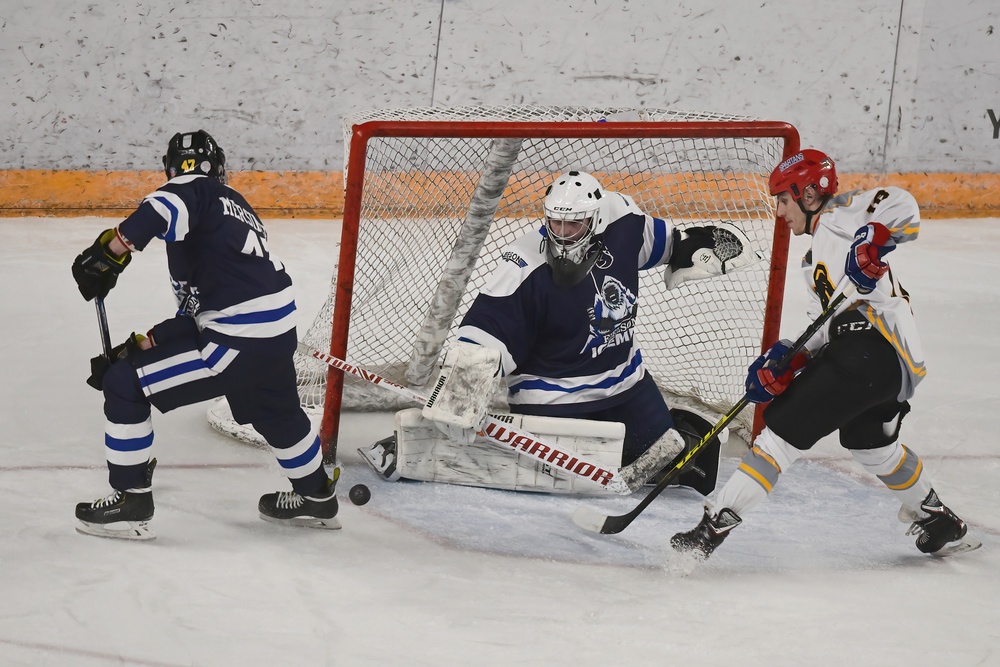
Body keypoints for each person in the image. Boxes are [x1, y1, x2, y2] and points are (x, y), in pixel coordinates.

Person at [359, 170, 755, 494]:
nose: (562, 232)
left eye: (574, 223)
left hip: (626, 384)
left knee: (668, 465)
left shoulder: (622, 221)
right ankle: (413, 445)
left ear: (596, 219)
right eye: (555, 222)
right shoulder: (524, 263)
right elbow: (486, 331)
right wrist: (463, 388)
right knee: (563, 480)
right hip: (553, 398)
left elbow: (665, 244)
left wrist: (696, 246)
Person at [671, 149, 977, 559]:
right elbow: (824, 327)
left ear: (810, 193)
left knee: (778, 437)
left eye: (783, 199)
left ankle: (711, 530)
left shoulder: (847, 213)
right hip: (884, 366)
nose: (780, 211)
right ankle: (937, 516)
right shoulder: (813, 259)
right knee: (871, 446)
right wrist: (790, 357)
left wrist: (873, 237)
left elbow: (903, 204)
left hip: (869, 350)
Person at [71, 130, 339, 540]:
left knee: (124, 384)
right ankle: (317, 496)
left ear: (172, 168)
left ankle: (130, 501)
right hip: (274, 334)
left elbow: (163, 204)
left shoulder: (194, 189)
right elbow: (197, 313)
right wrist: (140, 347)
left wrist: (112, 251)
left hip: (238, 340)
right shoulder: (234, 210)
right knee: (277, 412)